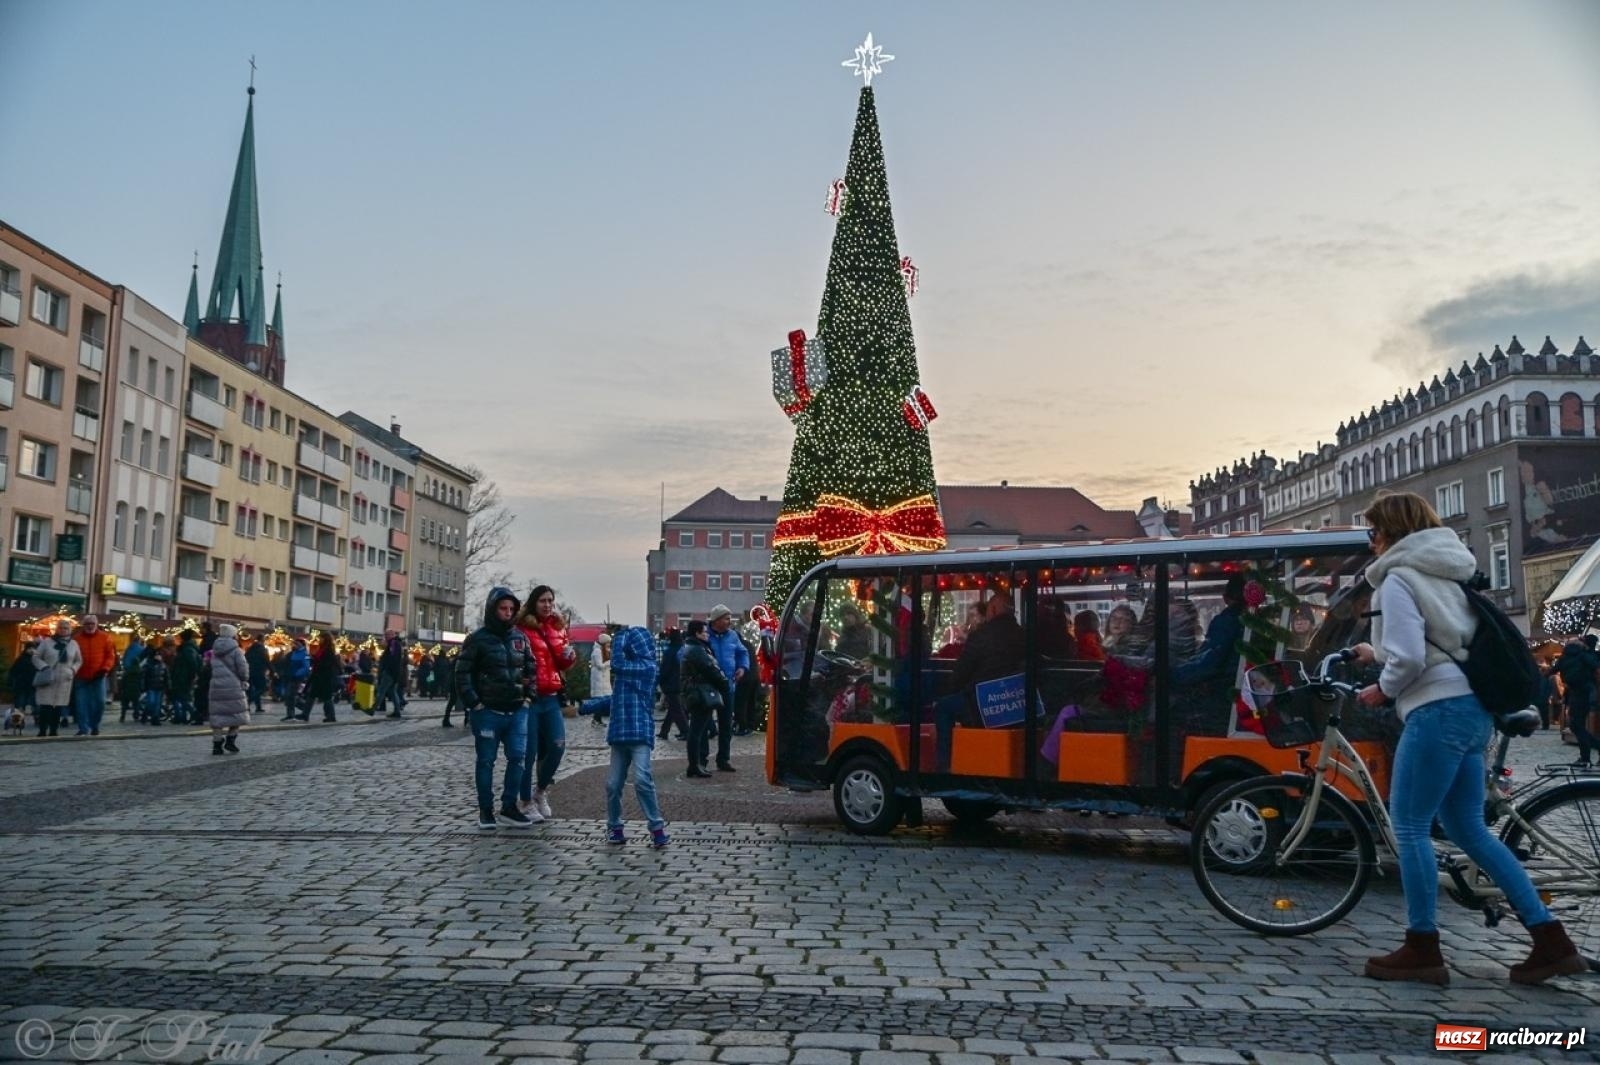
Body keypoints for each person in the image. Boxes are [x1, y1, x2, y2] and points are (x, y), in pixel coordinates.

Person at [1351, 490, 1582, 987]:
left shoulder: (1396, 579)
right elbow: (1443, 640)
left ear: (1391, 532)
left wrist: (1382, 688)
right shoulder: (1446, 574)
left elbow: (1411, 657)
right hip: (1473, 708)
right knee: (1468, 829)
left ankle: (1422, 947)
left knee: (1408, 827)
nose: (1370, 541)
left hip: (1435, 709)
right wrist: (1380, 653)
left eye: (1372, 531)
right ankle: (1551, 940)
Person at [457, 586, 536, 829]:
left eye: (512, 609)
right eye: (503, 608)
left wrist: (527, 698)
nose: (508, 613)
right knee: (486, 761)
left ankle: (509, 807)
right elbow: (462, 673)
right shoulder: (478, 639)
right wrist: (475, 704)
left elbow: (532, 669)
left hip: (516, 710)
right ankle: (486, 810)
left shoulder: (520, 638)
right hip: (488, 711)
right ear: (493, 609)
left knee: (518, 759)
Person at [601, 626, 669, 847]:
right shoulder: (627, 670)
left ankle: (657, 827)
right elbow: (617, 698)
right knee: (613, 785)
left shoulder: (647, 667)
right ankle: (614, 827)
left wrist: (619, 637)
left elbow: (617, 663)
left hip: (639, 733)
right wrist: (590, 705)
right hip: (620, 734)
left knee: (642, 779)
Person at [516, 585, 575, 820]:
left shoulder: (558, 628)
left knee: (557, 745)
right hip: (529, 697)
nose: (548, 605)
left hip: (551, 695)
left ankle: (540, 791)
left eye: (551, 600)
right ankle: (525, 801)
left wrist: (569, 658)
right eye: (543, 600)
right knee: (527, 753)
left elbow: (561, 663)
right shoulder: (521, 629)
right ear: (533, 603)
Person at [679, 620, 727, 779]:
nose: (707, 634)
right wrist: (724, 683)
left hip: (697, 692)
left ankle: (696, 764)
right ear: (697, 634)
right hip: (699, 694)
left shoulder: (695, 647)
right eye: (705, 632)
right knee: (697, 731)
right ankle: (694, 764)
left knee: (699, 729)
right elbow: (710, 669)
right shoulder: (697, 649)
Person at [704, 605, 749, 771]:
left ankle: (723, 759)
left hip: (727, 685)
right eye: (726, 618)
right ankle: (702, 759)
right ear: (716, 620)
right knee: (704, 724)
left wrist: (742, 667)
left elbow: (742, 653)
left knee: (726, 724)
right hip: (708, 685)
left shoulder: (733, 636)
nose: (730, 621)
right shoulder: (705, 635)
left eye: (730, 618)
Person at [1553, 634, 1599, 767]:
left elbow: (1553, 670)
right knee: (1577, 725)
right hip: (1585, 692)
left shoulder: (1565, 657)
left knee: (1576, 725)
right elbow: (1596, 669)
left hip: (1575, 693)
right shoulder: (1585, 655)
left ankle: (1585, 757)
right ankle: (1586, 756)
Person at [32, 620, 82, 739]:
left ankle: (54, 730)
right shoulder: (47, 643)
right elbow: (36, 657)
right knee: (46, 705)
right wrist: (44, 667)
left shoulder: (74, 644)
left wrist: (73, 670)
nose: (63, 630)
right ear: (56, 629)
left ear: (69, 630)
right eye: (61, 628)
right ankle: (42, 730)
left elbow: (78, 660)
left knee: (59, 706)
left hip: (64, 678)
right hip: (48, 676)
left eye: (66, 628)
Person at [69, 614, 117, 736]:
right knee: (81, 704)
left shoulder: (105, 638)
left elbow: (110, 656)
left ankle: (94, 725)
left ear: (96, 625)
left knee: (100, 702)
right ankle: (83, 728)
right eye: (87, 624)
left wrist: (104, 669)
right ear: (83, 625)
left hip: (98, 676)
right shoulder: (76, 639)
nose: (90, 626)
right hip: (81, 676)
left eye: (92, 624)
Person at [208, 624, 249, 756]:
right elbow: (243, 669)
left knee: (217, 717)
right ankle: (231, 741)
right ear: (233, 635)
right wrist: (245, 679)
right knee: (237, 715)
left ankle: (217, 745)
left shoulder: (214, 651)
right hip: (233, 687)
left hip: (216, 687)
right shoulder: (237, 651)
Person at [656, 629, 688, 741]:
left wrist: (660, 681)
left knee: (676, 709)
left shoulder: (670, 651)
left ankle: (685, 731)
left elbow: (665, 669)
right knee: (673, 708)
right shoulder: (683, 649)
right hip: (680, 682)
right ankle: (664, 731)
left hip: (671, 683)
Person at [302, 632, 340, 723]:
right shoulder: (322, 649)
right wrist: (314, 658)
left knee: (326, 697)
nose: (320, 640)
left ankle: (331, 716)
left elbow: (327, 663)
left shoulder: (329, 650)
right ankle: (305, 714)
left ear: (325, 639)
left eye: (321, 638)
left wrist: (315, 660)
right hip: (318, 676)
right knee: (312, 695)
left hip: (324, 677)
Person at [169, 629, 202, 726]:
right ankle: (182, 717)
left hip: (183, 677)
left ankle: (196, 715)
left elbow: (192, 664)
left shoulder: (187, 649)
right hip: (182, 676)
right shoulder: (188, 648)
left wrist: (192, 675)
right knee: (182, 697)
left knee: (182, 698)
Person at [377, 630, 408, 719]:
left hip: (390, 672)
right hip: (394, 673)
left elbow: (392, 658)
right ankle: (397, 711)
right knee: (393, 692)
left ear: (392, 635)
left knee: (381, 690)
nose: (385, 637)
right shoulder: (395, 643)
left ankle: (372, 708)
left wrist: (387, 669)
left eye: (387, 635)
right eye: (385, 635)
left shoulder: (393, 643)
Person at [9, 639, 39, 732]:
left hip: (34, 685)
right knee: (20, 704)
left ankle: (38, 719)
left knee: (36, 704)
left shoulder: (37, 659)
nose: (31, 650)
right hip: (22, 686)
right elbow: (13, 671)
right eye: (29, 648)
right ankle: (19, 721)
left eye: (33, 648)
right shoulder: (21, 659)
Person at [141, 642, 169, 726]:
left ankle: (155, 718)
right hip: (151, 686)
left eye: (160, 655)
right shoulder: (149, 665)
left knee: (157, 703)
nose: (159, 657)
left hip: (160, 687)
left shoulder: (163, 665)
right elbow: (145, 676)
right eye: (157, 655)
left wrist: (167, 685)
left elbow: (166, 676)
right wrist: (144, 686)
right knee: (151, 702)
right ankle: (146, 714)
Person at [117, 634, 145, 722]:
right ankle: (136, 716)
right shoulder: (141, 649)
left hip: (127, 688)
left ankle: (122, 716)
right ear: (139, 640)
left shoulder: (129, 648)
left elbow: (123, 682)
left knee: (125, 704)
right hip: (136, 690)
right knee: (136, 703)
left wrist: (121, 689)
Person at [589, 632, 613, 726]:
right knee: (598, 700)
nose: (609, 644)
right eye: (607, 643)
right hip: (598, 679)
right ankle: (596, 719)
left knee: (601, 700)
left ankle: (598, 719)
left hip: (603, 679)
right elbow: (600, 665)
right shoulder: (597, 651)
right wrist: (609, 663)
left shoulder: (604, 650)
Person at [245, 637, 269, 716]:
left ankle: (257, 707)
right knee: (262, 688)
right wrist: (273, 671)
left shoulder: (250, 649)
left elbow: (245, 659)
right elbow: (266, 661)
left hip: (249, 672)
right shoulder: (262, 650)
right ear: (262, 641)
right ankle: (249, 701)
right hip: (259, 672)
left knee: (251, 689)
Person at [436, 650, 458, 727]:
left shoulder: (453, 660)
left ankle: (446, 718)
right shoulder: (449, 660)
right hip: (456, 681)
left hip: (451, 680)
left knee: (452, 701)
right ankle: (468, 718)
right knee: (455, 700)